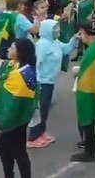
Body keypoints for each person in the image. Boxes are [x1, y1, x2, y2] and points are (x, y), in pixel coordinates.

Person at [0, 38, 37, 178]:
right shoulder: (22, 67)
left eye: (12, 48)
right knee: (17, 150)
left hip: (13, 120)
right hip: (22, 118)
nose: (8, 50)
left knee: (9, 150)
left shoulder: (18, 75)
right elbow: (1, 63)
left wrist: (2, 120)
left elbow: (8, 101)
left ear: (20, 53)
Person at [28, 19, 79, 148]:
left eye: (57, 28)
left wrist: (74, 39)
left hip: (50, 81)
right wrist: (36, 82)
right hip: (42, 82)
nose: (57, 31)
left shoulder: (54, 42)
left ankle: (42, 132)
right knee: (39, 110)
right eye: (54, 29)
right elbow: (36, 63)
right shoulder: (42, 45)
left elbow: (66, 49)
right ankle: (33, 138)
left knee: (44, 109)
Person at [70, 19, 95, 163]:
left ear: (87, 34)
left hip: (88, 90)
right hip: (94, 89)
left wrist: (78, 73)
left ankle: (89, 151)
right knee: (90, 121)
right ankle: (90, 148)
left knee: (87, 121)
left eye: (81, 33)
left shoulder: (92, 51)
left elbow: (86, 72)